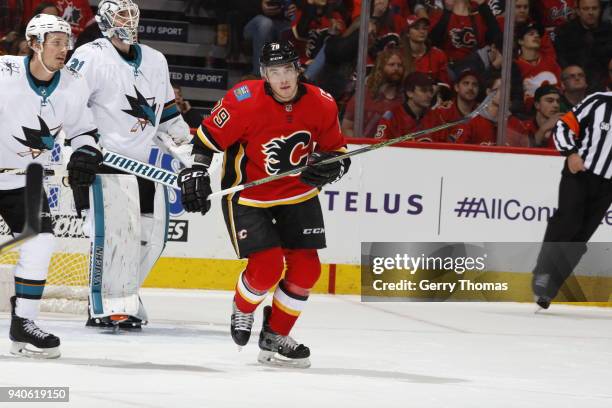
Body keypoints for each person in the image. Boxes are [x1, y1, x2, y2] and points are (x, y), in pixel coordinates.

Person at [178, 41, 350, 368]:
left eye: (287, 69)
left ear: (298, 70)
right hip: (248, 194)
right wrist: (197, 170)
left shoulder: (322, 103)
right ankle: (243, 309)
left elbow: (338, 153)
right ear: (264, 74)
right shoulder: (244, 100)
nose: (283, 78)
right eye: (274, 72)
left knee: (307, 269)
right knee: (268, 267)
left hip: (298, 193)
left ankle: (275, 335)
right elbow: (206, 140)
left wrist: (333, 166)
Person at [67, 0, 192, 329]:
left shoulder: (155, 59)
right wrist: (82, 148)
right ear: (106, 20)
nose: (129, 20)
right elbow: (70, 105)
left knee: (150, 235)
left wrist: (189, 160)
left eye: (132, 14)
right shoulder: (90, 55)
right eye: (121, 15)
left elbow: (166, 115)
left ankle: (125, 296)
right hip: (101, 162)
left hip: (140, 166)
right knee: (110, 236)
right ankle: (105, 305)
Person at [0, 14, 100, 358]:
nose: (64, 49)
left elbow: (84, 130)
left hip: (24, 178)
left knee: (41, 242)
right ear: (34, 45)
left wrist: (85, 153)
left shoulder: (73, 83)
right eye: (56, 42)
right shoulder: (4, 72)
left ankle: (23, 324)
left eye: (66, 42)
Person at [532, 91, 612, 309]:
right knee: (567, 223)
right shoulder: (599, 101)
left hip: (608, 186)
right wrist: (571, 154)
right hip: (580, 173)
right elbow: (564, 125)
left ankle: (551, 288)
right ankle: (543, 272)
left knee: (580, 238)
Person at [342, 47, 406, 137]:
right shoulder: (364, 95)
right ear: (381, 67)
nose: (396, 68)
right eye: (391, 65)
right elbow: (347, 127)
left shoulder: (404, 98)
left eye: (399, 65)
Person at [375, 71, 439, 140]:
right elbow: (380, 147)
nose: (429, 95)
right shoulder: (391, 118)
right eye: (424, 90)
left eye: (431, 90)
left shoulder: (435, 118)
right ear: (409, 93)